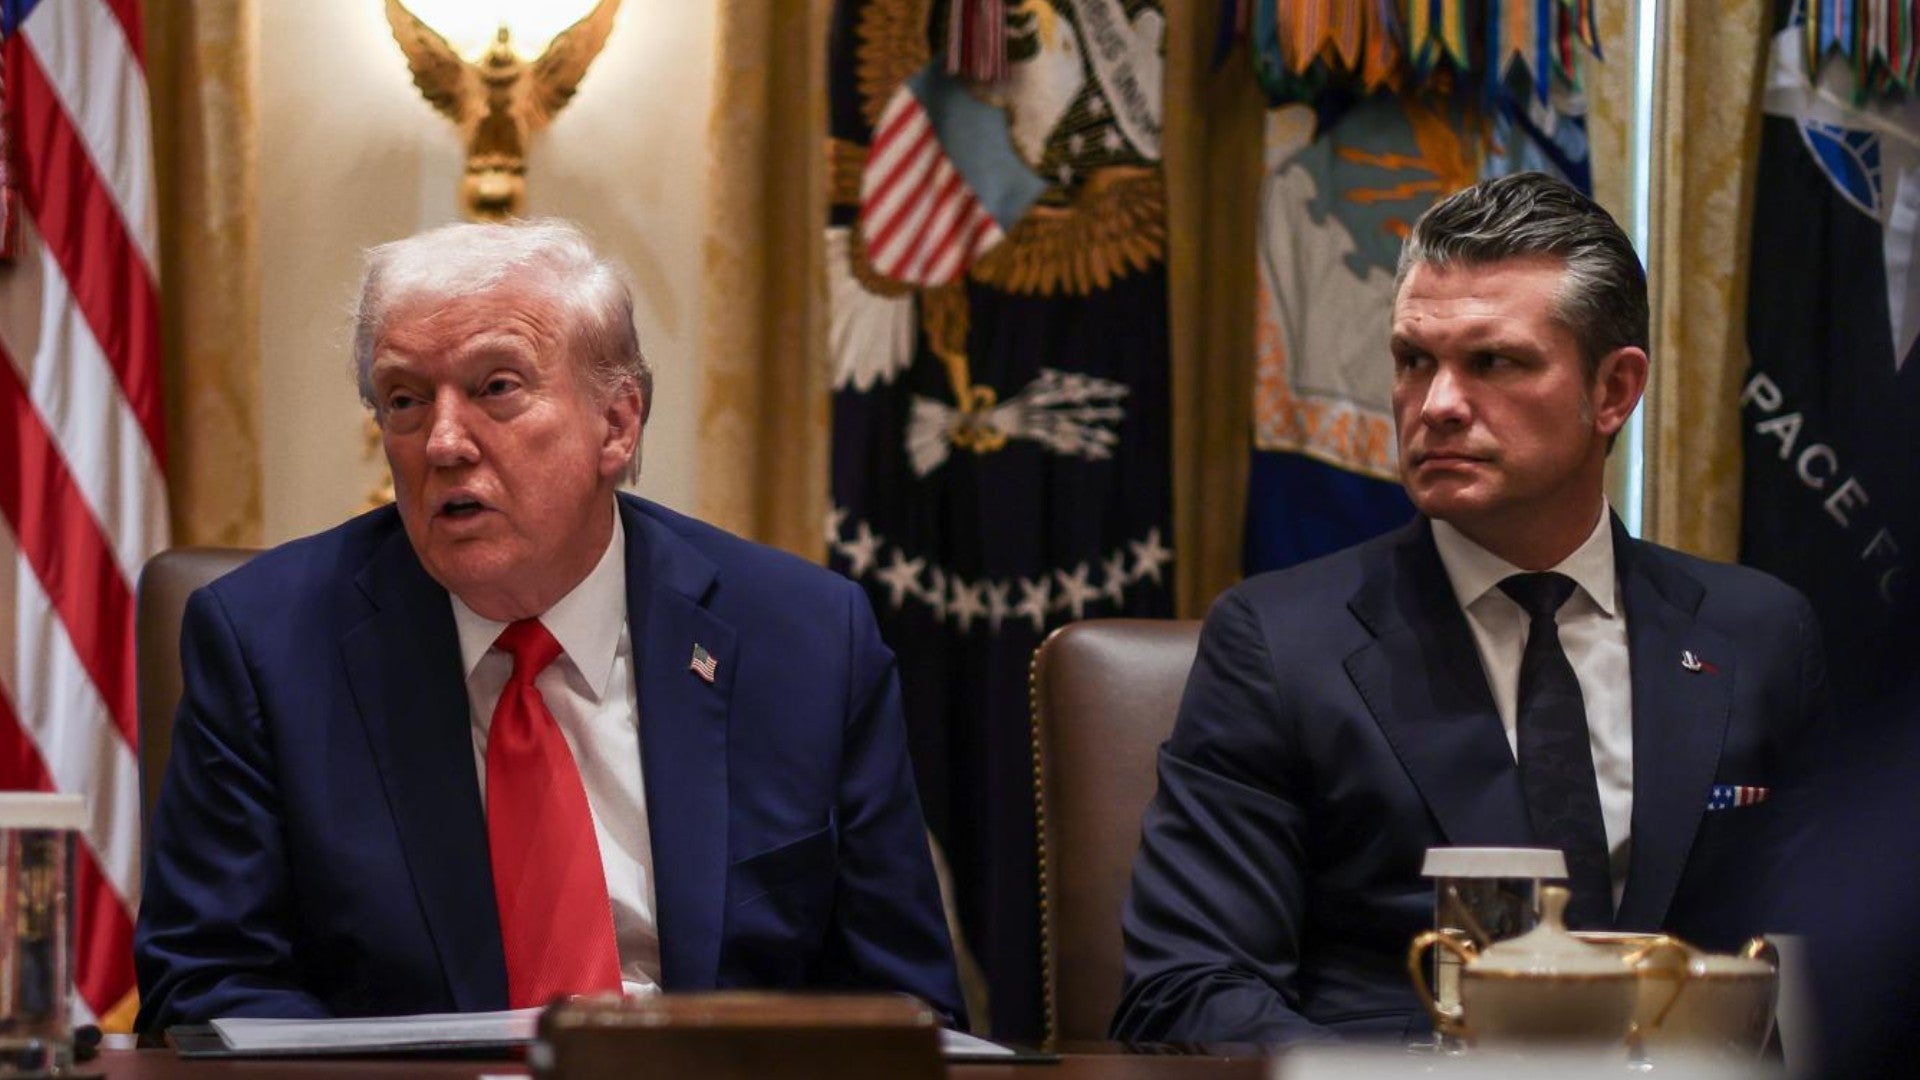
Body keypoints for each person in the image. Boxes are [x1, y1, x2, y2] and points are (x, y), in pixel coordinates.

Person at [134, 219, 964, 1032]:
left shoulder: (807, 639)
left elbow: (902, 1006)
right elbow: (207, 986)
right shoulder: (267, 645)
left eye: (497, 386)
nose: (444, 442)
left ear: (618, 423)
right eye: (405, 400)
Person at [1111, 172, 1826, 1045]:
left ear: (1613, 392)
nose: (1437, 405)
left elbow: (1829, 966)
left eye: (1493, 362)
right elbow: (1189, 990)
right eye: (1415, 361)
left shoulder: (1758, 635)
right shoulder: (1279, 644)